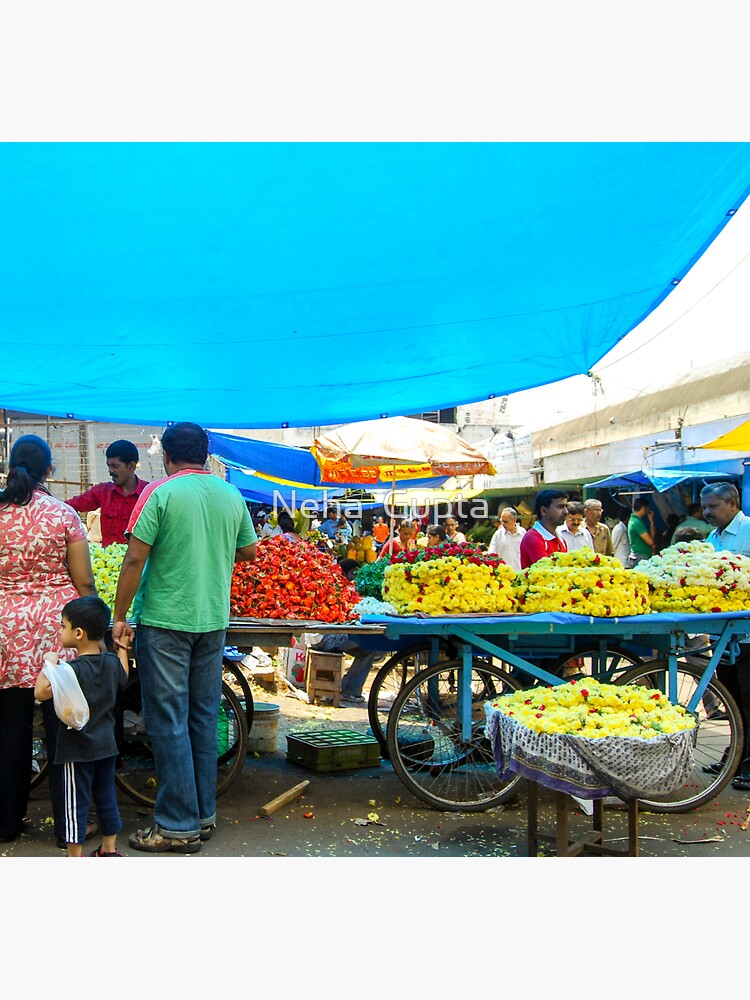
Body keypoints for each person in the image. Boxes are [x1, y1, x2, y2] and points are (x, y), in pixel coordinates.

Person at [112, 422, 258, 853]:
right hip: (212, 620)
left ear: (166, 457)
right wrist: (211, 544)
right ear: (206, 454)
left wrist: (119, 616)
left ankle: (175, 825)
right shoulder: (230, 494)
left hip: (165, 621)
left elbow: (135, 558)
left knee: (169, 721)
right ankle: (201, 815)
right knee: (201, 717)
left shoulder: (159, 493)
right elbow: (250, 550)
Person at [0, 434, 98, 846]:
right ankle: (68, 829)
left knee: (9, 730)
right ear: (49, 472)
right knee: (62, 731)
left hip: (5, 632)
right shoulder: (63, 516)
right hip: (55, 633)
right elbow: (85, 581)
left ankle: (5, 823)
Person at [34, 596, 129, 858]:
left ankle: (74, 856)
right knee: (107, 796)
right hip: (106, 747)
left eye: (63, 626)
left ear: (78, 633)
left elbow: (41, 693)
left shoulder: (70, 670)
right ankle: (109, 849)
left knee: (75, 803)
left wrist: (49, 663)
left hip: (77, 751)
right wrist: (122, 649)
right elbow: (123, 675)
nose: (60, 631)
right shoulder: (110, 663)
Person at [700, 482, 750, 791]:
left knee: (749, 699)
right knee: (732, 697)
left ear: (732, 504)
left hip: (747, 634)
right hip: (722, 635)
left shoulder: (747, 531)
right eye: (705, 507)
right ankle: (736, 756)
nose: (707, 512)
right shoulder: (712, 538)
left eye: (713, 506)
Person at [65, 439, 149, 547]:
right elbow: (69, 506)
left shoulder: (149, 494)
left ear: (131, 466)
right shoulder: (103, 492)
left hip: (141, 562)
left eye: (115, 466)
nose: (110, 471)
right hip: (108, 561)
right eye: (108, 466)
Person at [519, 490, 568, 569]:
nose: (566, 512)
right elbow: (547, 574)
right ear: (544, 511)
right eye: (560, 507)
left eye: (566, 507)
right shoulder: (533, 538)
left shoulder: (561, 539)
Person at [489, 507, 526, 572]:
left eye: (505, 521)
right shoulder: (498, 535)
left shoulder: (523, 533)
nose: (503, 523)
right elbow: (491, 555)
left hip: (520, 573)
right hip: (503, 576)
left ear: (514, 520)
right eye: (501, 521)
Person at [627, 496, 657, 566]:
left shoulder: (635, 520)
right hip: (640, 556)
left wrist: (651, 522)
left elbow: (651, 538)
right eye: (647, 508)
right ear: (643, 508)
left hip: (641, 555)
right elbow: (650, 542)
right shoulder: (637, 523)